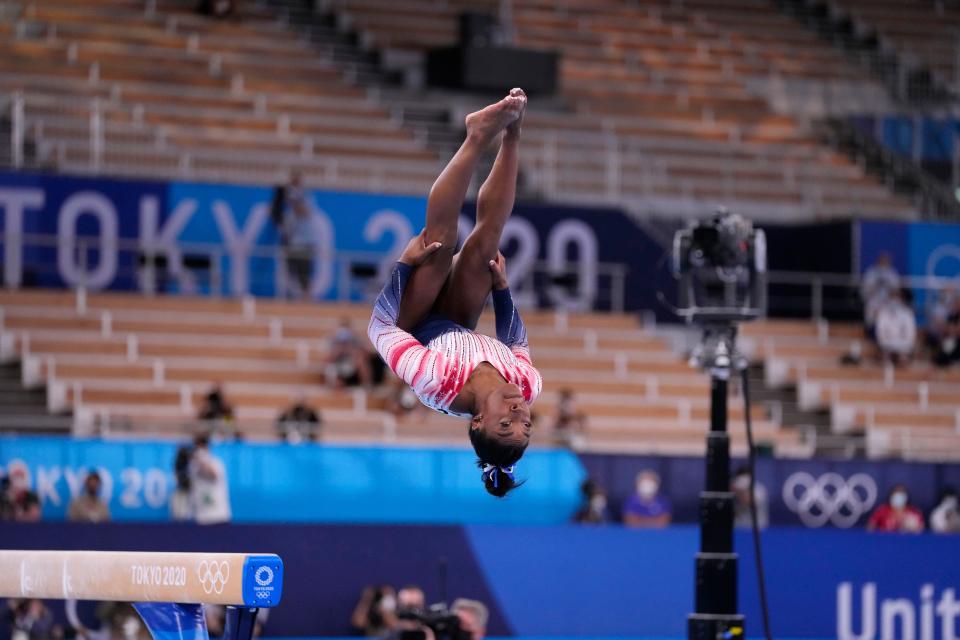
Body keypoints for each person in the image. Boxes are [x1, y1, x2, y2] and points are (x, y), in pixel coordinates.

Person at [368, 90, 541, 498]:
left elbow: (378, 328)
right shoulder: (527, 384)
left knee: (438, 245)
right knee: (486, 249)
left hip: (412, 323)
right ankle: (513, 132)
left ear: (477, 422)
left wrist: (404, 267)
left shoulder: (436, 383)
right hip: (459, 320)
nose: (519, 412)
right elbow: (515, 341)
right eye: (526, 423)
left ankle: (476, 136)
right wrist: (501, 290)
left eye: (505, 424)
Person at [271, 170, 316, 299]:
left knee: (305, 273)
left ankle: (306, 297)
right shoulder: (286, 197)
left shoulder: (305, 196)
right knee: (290, 272)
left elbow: (304, 212)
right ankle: (289, 297)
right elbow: (277, 214)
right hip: (290, 241)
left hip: (304, 243)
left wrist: (295, 199)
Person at [188, 434, 231, 525]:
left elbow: (213, 474)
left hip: (218, 516)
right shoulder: (193, 466)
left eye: (201, 448)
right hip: (202, 517)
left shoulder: (217, 463)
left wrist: (202, 460)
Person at [860, 252, 900, 335]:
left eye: (886, 261)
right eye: (882, 261)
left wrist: (889, 290)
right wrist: (876, 286)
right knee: (871, 307)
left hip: (888, 300)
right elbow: (866, 290)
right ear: (878, 261)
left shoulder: (892, 274)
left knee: (896, 305)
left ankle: (892, 331)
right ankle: (871, 330)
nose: (884, 263)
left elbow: (896, 291)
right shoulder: (871, 273)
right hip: (874, 299)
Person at [326, 319, 373, 388]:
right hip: (338, 366)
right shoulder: (332, 340)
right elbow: (326, 359)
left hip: (353, 365)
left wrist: (353, 352)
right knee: (329, 365)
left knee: (361, 361)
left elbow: (367, 354)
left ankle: (366, 385)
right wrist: (336, 352)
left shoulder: (356, 339)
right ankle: (333, 385)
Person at [874, 289, 916, 366]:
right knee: (885, 356)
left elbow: (910, 334)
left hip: (903, 344)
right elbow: (880, 332)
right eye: (892, 298)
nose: (894, 301)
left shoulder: (907, 313)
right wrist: (887, 342)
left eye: (897, 298)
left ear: (901, 299)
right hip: (887, 343)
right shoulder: (883, 313)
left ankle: (902, 362)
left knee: (903, 357)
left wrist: (904, 344)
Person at [934, 297, 960, 367]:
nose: (956, 305)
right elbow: (946, 327)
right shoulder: (951, 315)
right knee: (944, 346)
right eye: (955, 303)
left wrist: (952, 329)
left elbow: (957, 330)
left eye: (958, 304)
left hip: (956, 339)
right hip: (950, 337)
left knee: (949, 347)